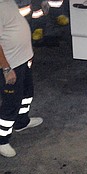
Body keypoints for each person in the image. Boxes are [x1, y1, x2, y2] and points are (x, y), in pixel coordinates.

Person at [1, 0, 43, 158]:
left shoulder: (8, 2)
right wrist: (6, 69)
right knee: (11, 102)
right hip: (11, 66)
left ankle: (21, 122)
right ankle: (2, 140)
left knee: (26, 94)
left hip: (23, 60)